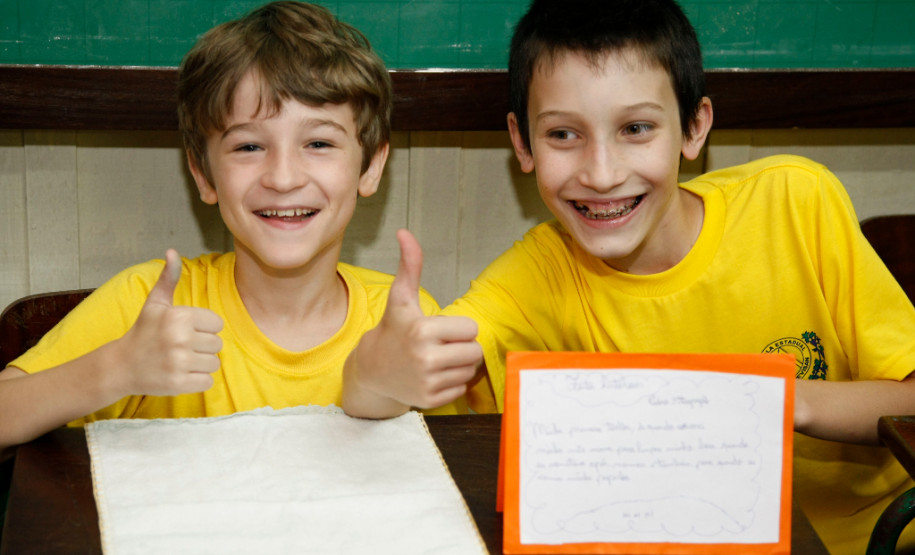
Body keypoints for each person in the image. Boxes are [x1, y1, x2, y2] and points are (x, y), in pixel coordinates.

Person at [341, 0, 915, 552]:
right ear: (522, 142)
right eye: (563, 135)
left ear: (694, 128)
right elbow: (381, 388)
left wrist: (776, 400)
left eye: (636, 129)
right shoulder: (530, 280)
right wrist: (376, 371)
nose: (602, 173)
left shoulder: (794, 201)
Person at [0, 1, 470, 456]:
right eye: (248, 147)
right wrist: (116, 369)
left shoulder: (401, 320)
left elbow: (444, 465)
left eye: (318, 143)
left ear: (371, 166)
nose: (283, 177)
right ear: (203, 175)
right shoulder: (149, 307)